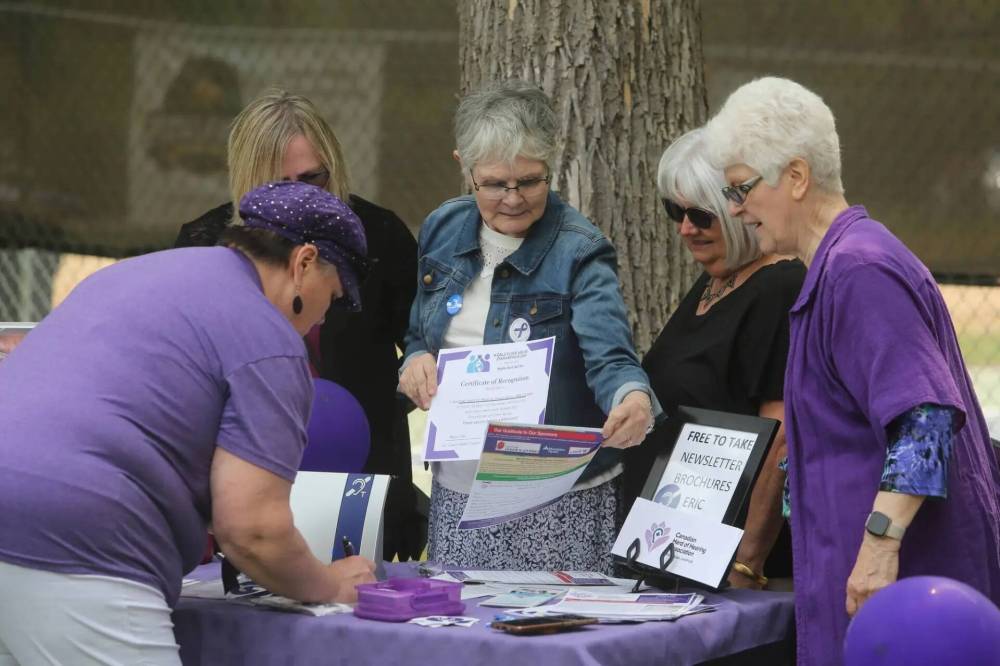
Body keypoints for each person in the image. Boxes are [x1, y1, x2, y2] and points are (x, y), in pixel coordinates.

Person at [0, 181, 377, 665]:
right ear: (304, 264)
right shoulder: (266, 333)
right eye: (336, 294)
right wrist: (331, 584)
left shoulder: (137, 274)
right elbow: (252, 531)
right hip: (84, 543)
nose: (326, 315)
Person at [703, 76, 1000, 666]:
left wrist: (879, 548)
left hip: (913, 604)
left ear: (795, 176)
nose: (735, 210)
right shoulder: (838, 264)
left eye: (740, 189)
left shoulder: (857, 269)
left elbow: (926, 420)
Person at [399, 80, 656, 574]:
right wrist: (414, 361)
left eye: (531, 181)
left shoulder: (580, 250)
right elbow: (418, 333)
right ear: (465, 167)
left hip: (555, 498)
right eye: (495, 184)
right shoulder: (441, 230)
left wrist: (632, 398)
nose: (513, 198)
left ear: (550, 168)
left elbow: (612, 358)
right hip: (458, 489)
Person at [175, 90, 424, 561]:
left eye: (314, 178)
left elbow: (420, 335)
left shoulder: (380, 235)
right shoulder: (206, 244)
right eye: (279, 183)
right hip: (242, 478)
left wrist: (417, 365)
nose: (302, 196)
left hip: (359, 480)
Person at [623, 127, 805, 588]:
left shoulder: (779, 287)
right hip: (673, 547)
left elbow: (782, 438)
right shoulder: (716, 281)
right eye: (675, 211)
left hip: (728, 567)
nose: (685, 229)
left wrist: (747, 562)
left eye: (701, 215)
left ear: (742, 210)